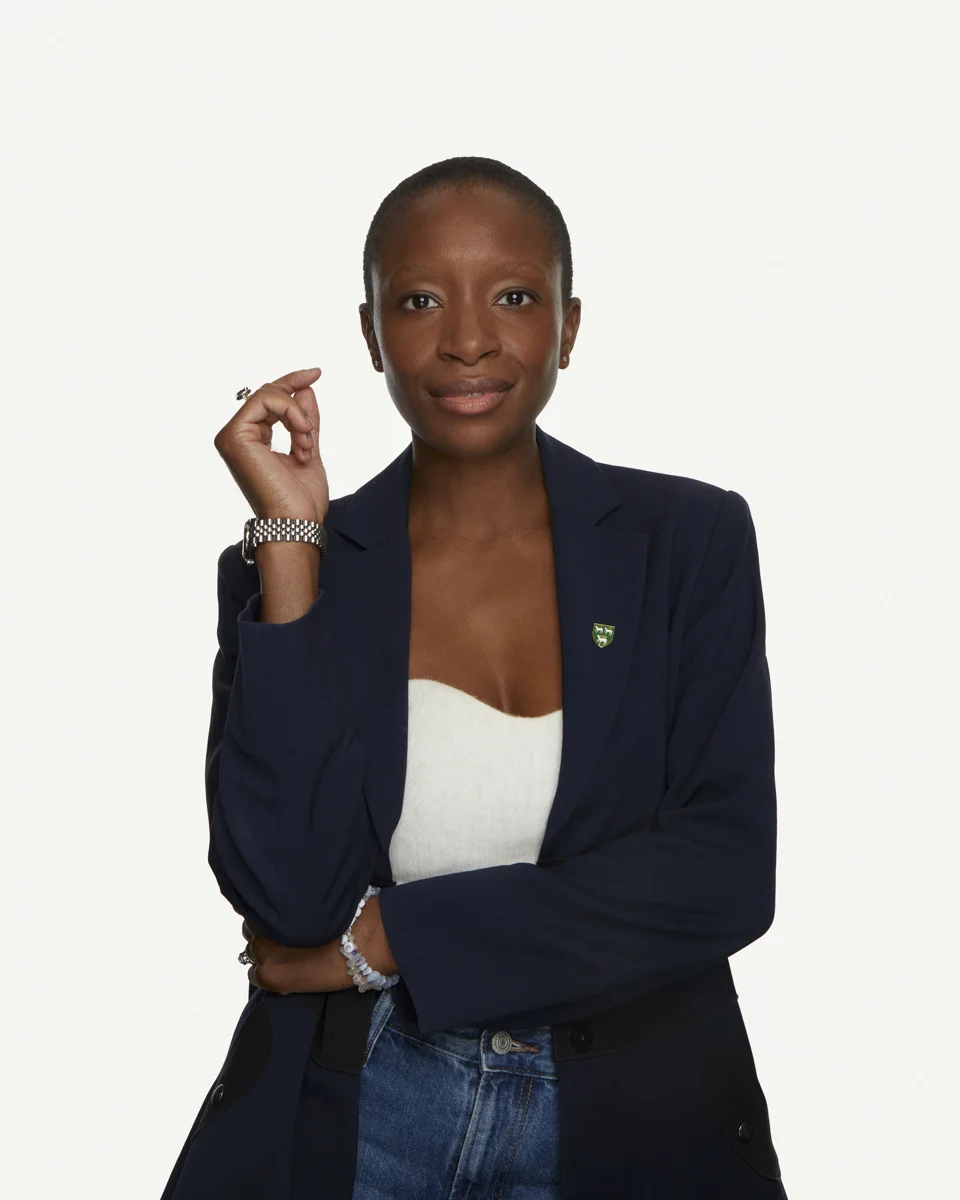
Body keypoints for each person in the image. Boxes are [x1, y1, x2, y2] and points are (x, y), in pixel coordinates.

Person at [160, 156, 788, 1199]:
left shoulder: (685, 541)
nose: (467, 338)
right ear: (369, 334)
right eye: (417, 300)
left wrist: (394, 936)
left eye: (512, 296)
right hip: (361, 1106)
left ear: (569, 326)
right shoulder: (292, 574)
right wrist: (290, 547)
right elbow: (286, 905)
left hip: (635, 1110)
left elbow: (724, 871)